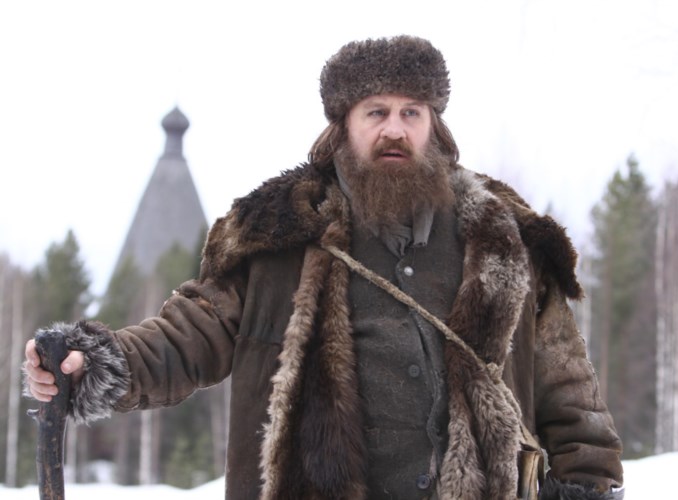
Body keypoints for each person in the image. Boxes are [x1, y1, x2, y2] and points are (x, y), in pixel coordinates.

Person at [23, 35, 624, 499]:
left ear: (434, 126)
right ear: (343, 127)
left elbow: (569, 391)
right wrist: (95, 363)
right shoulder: (278, 231)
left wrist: (590, 486)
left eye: (412, 112)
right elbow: (190, 334)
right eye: (376, 112)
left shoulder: (502, 239)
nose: (395, 130)